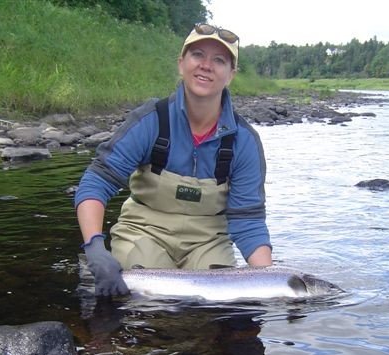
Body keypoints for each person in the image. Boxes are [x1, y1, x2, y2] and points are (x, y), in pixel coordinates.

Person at [75, 23, 273, 296]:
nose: (206, 65)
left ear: (231, 75)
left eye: (219, 60)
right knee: (147, 306)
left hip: (208, 241)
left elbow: (248, 221)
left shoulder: (244, 141)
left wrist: (268, 282)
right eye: (197, 55)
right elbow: (96, 183)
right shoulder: (150, 120)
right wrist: (95, 247)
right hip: (144, 233)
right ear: (181, 64)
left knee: (217, 311)